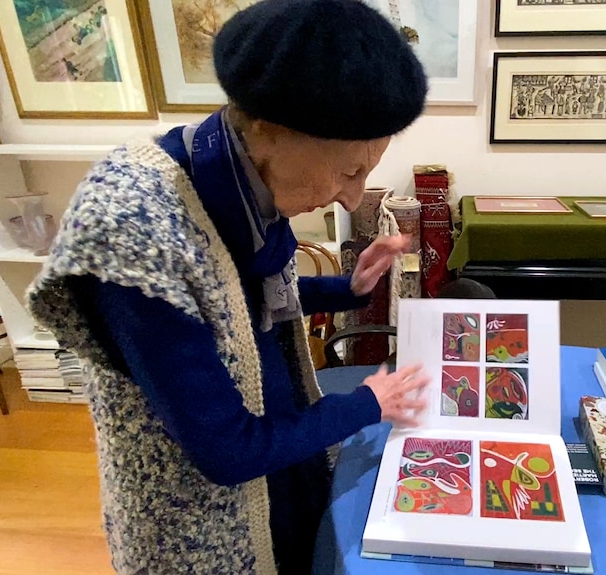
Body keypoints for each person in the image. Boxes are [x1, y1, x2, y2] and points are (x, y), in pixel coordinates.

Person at [26, 1, 431, 573]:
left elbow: (232, 310)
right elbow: (227, 450)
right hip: (200, 527)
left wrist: (349, 289)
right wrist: (369, 402)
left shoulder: (242, 180)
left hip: (281, 466)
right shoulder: (133, 229)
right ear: (270, 128)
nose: (352, 196)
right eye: (347, 171)